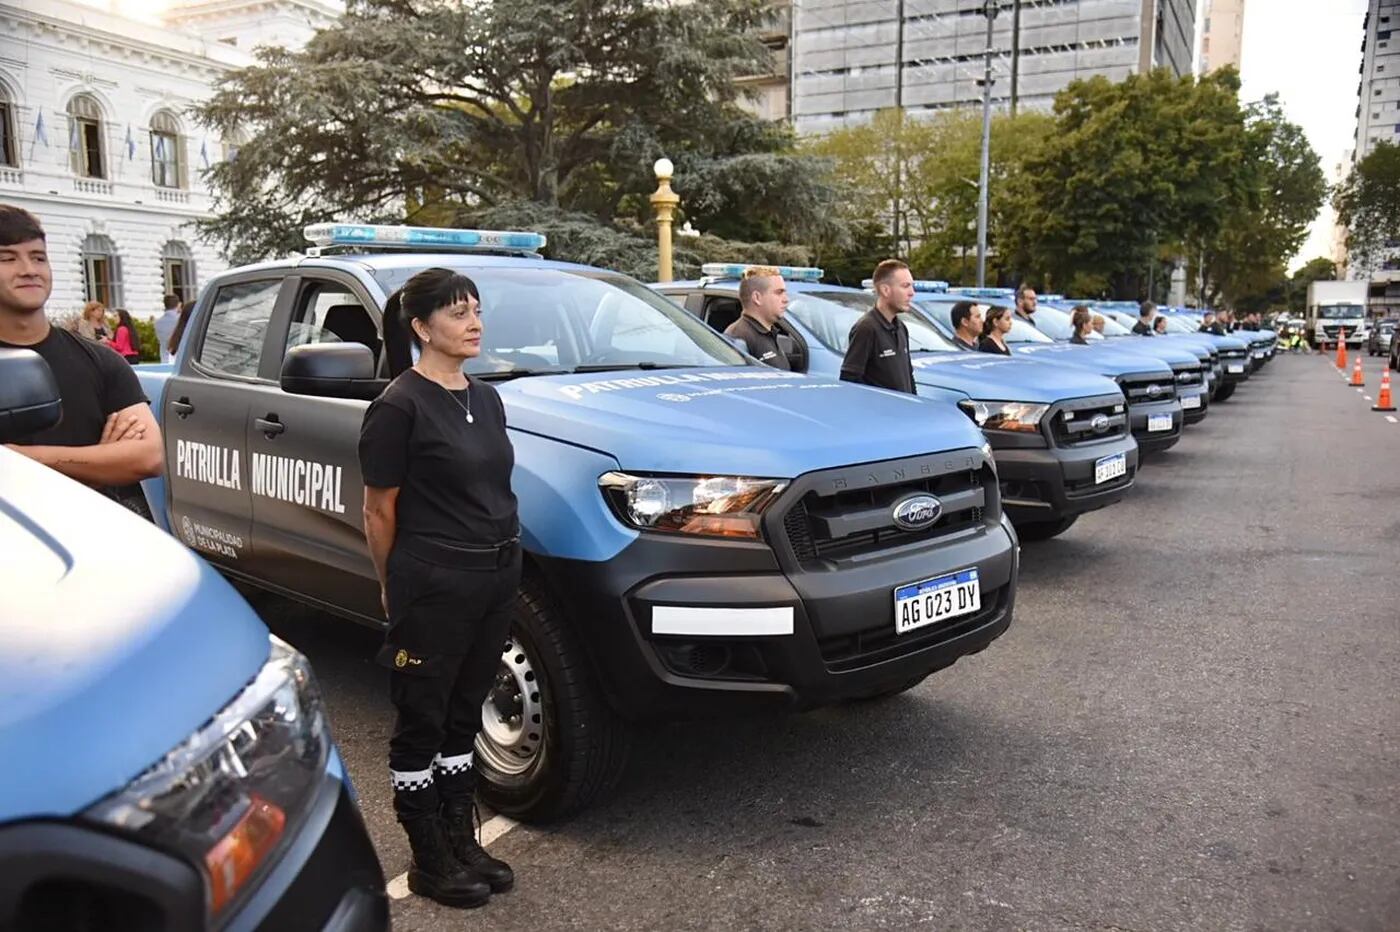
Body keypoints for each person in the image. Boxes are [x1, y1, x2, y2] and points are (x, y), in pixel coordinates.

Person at [358, 267, 519, 909]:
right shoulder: (398, 405)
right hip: (435, 578)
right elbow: (379, 510)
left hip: (495, 573)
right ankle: (428, 856)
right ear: (422, 327)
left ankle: (461, 838)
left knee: (464, 709)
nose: (473, 322)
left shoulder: (487, 396)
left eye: (476, 309)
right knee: (422, 717)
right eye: (457, 313)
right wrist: (391, 586)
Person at [0, 205, 162, 500]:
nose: (29, 270)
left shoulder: (101, 360)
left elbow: (149, 456)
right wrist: (99, 462)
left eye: (38, 257)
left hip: (95, 537)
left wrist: (24, 457)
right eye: (8, 259)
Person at [839, 259, 916, 394]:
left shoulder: (901, 328)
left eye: (912, 286)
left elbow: (909, 377)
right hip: (881, 413)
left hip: (904, 413)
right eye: (905, 286)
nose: (912, 292)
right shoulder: (867, 328)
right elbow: (849, 380)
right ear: (885, 290)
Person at [723, 266, 791, 370]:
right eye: (779, 292)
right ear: (757, 298)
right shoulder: (737, 338)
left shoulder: (768, 332)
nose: (786, 299)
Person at [153, 293, 181, 364]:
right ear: (178, 304)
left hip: (164, 357)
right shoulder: (180, 320)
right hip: (178, 357)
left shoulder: (157, 322)